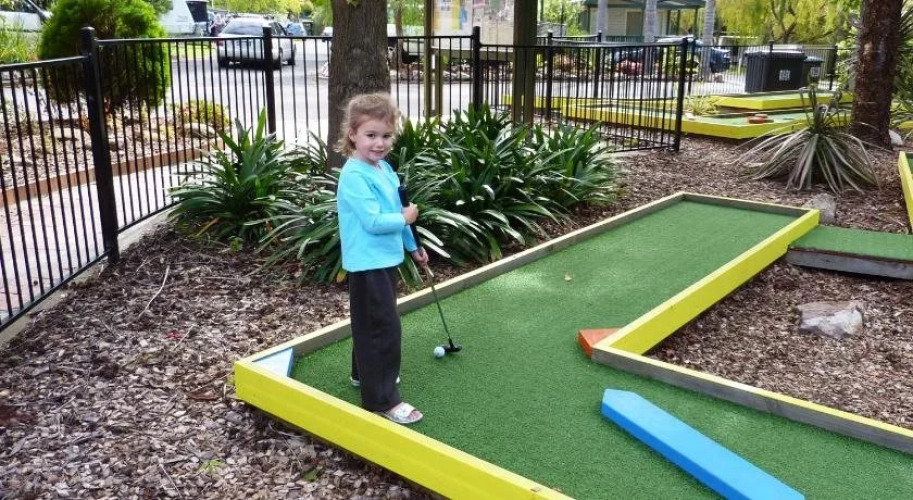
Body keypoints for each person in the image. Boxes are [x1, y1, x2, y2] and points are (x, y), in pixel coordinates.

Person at [335, 92, 429, 425]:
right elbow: (375, 221)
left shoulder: (384, 169)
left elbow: (395, 210)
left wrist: (412, 245)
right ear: (353, 135)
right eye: (371, 135)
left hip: (384, 260)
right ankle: (382, 399)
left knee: (371, 321)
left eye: (386, 136)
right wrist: (406, 219)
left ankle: (363, 374)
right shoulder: (354, 176)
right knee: (382, 328)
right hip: (367, 262)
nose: (379, 143)